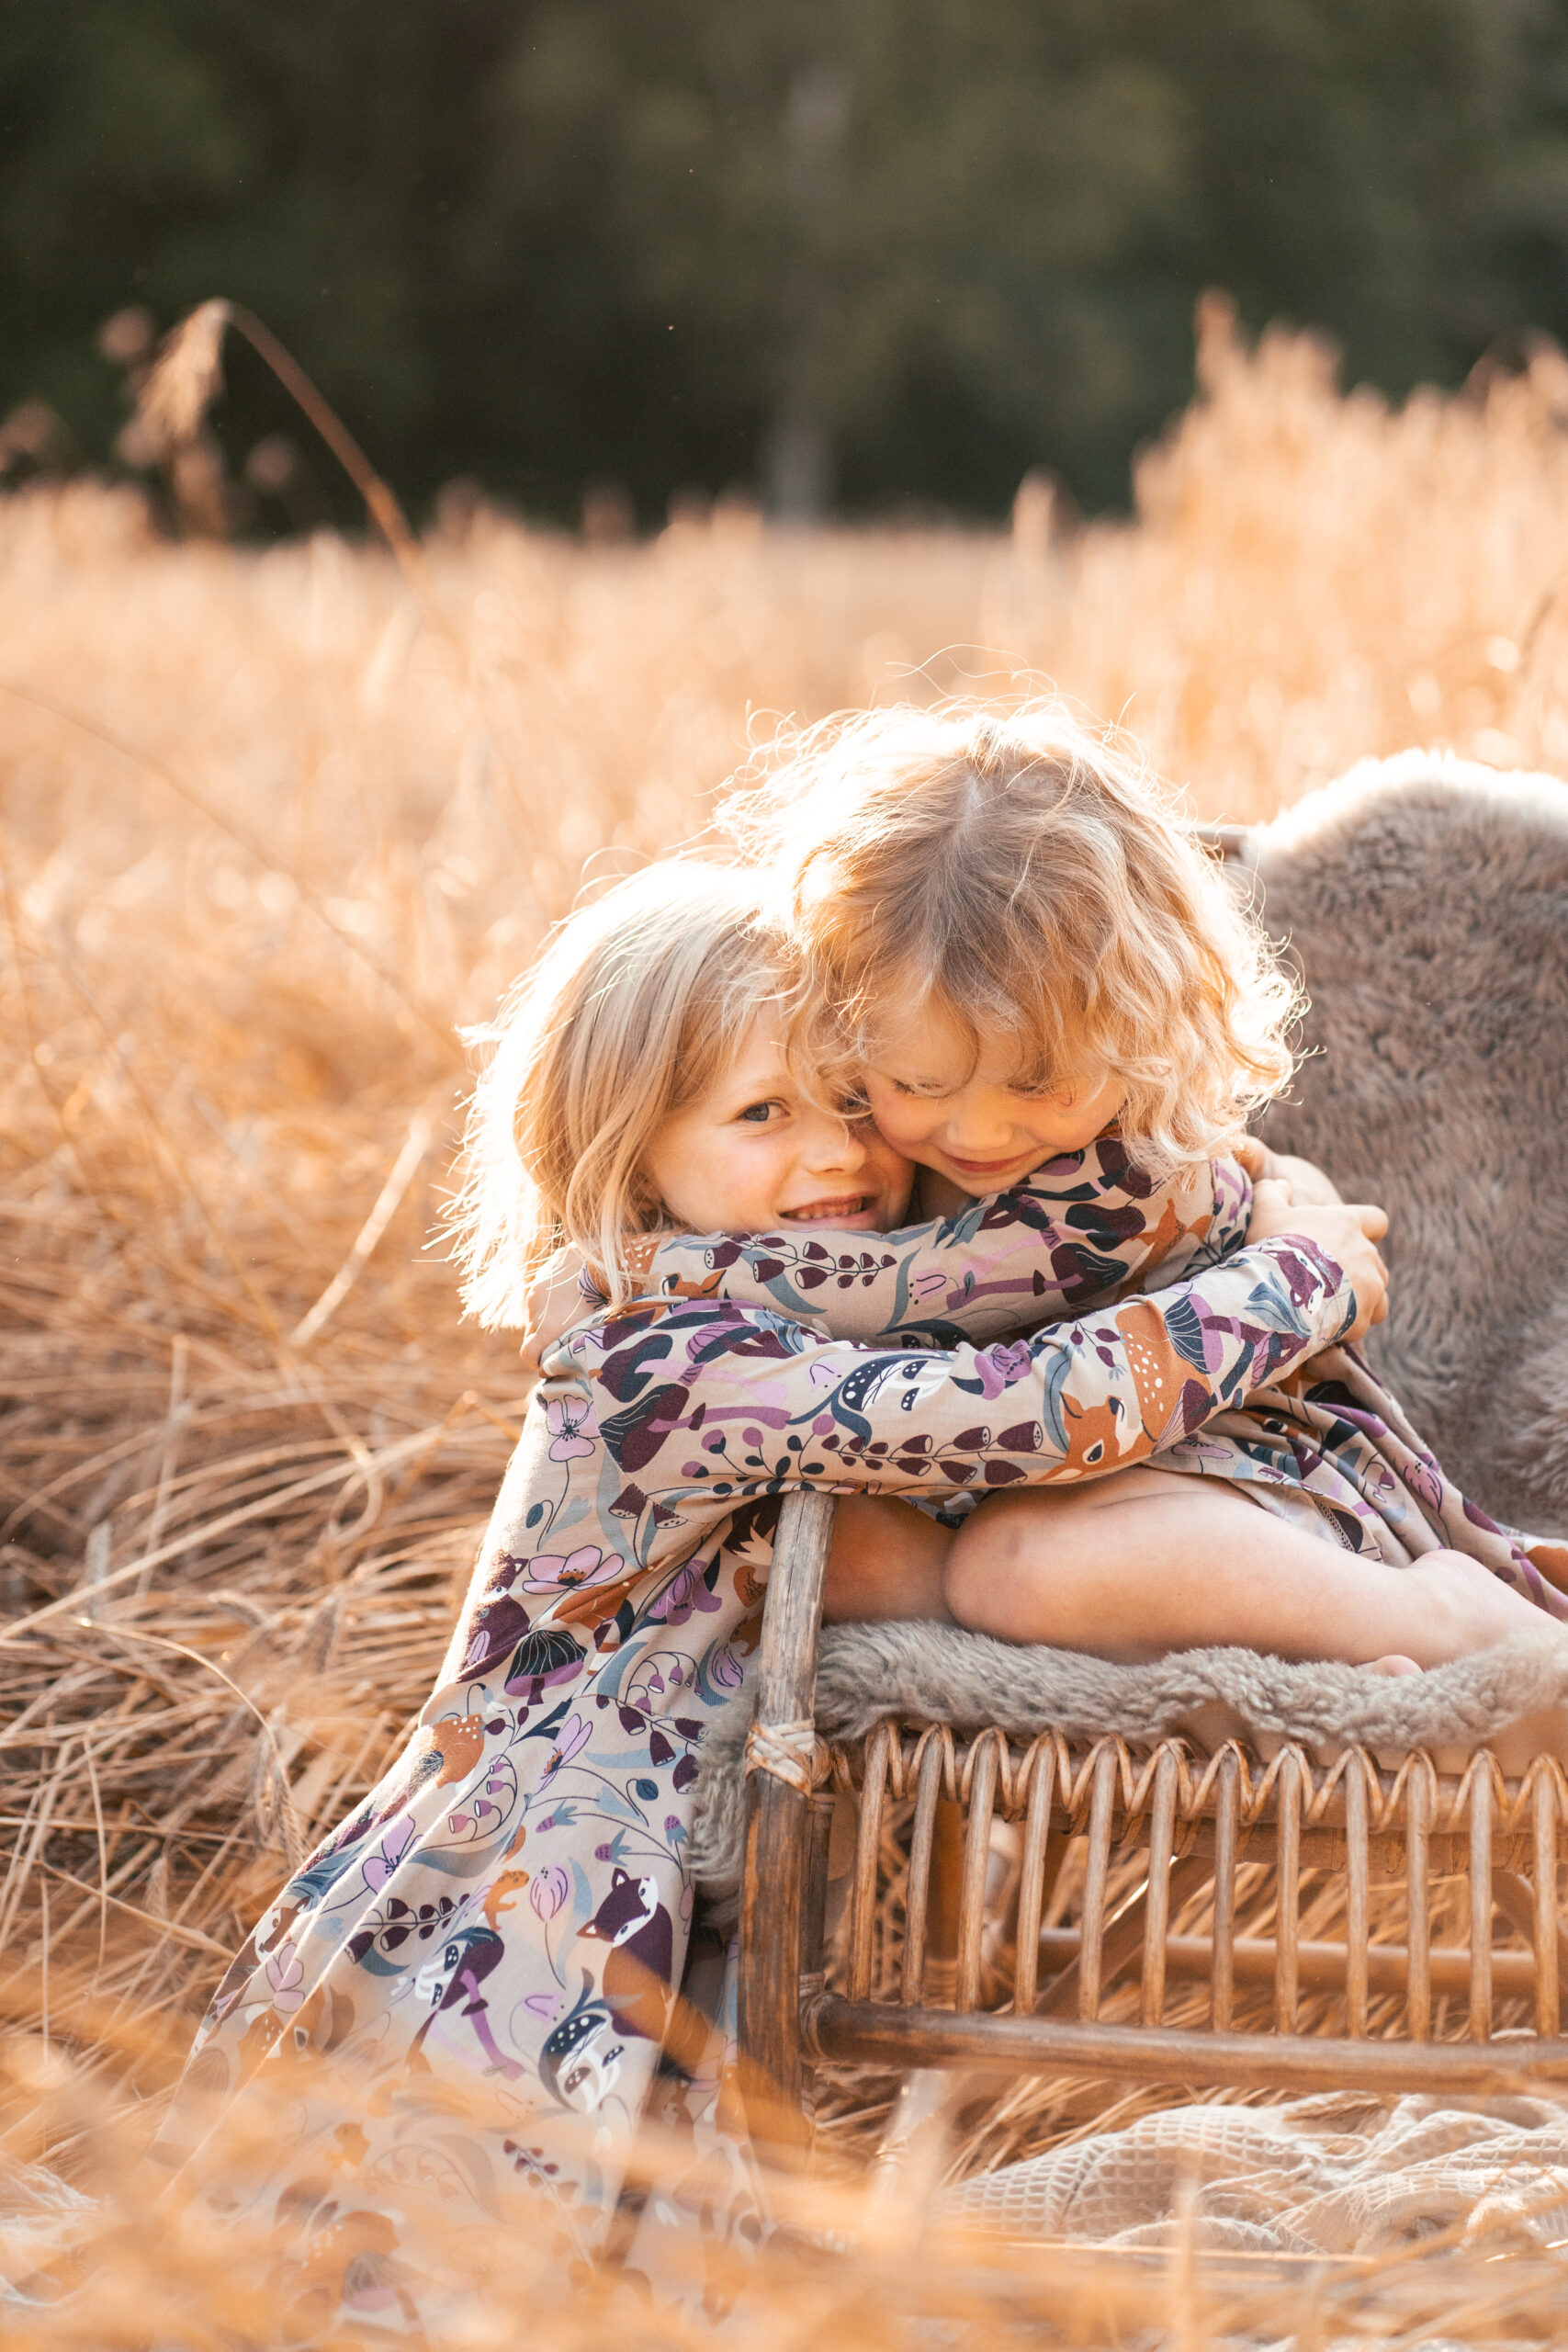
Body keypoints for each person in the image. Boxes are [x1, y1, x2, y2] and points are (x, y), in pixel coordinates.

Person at [153, 855, 1386, 2335]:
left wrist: (1235, 1181)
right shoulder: (655, 1357)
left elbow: (1000, 1259)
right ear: (627, 1146)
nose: (840, 1157)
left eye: (850, 1101)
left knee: (676, 2242)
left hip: (699, 1871)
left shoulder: (792, 1284)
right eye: (763, 1114)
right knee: (463, 2264)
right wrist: (1300, 1273)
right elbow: (1036, 1405)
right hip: (539, 1890)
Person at [629, 699, 1568, 1657]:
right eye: (915, 1082)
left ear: (1138, 1035)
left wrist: (638, 1278)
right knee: (875, 1552)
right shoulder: (884, 1164)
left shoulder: (1132, 1180)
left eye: (1039, 1081)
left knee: (1016, 1565)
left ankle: (1446, 1620)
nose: (980, 1129)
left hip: (1245, 1490)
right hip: (1069, 1478)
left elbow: (900, 1305)